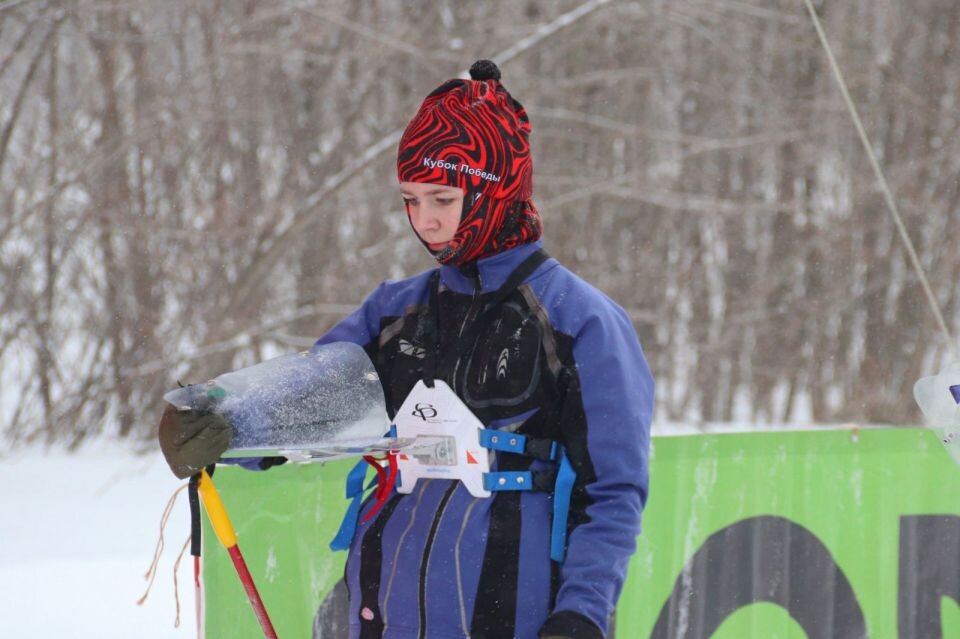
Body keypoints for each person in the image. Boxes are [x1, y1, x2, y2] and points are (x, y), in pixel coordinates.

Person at [159, 59, 654, 639]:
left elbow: (613, 494)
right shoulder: (396, 313)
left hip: (514, 618)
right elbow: (309, 401)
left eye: (441, 198)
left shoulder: (581, 321)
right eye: (411, 200)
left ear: (494, 190)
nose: (425, 222)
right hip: (381, 615)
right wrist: (221, 422)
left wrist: (581, 615)